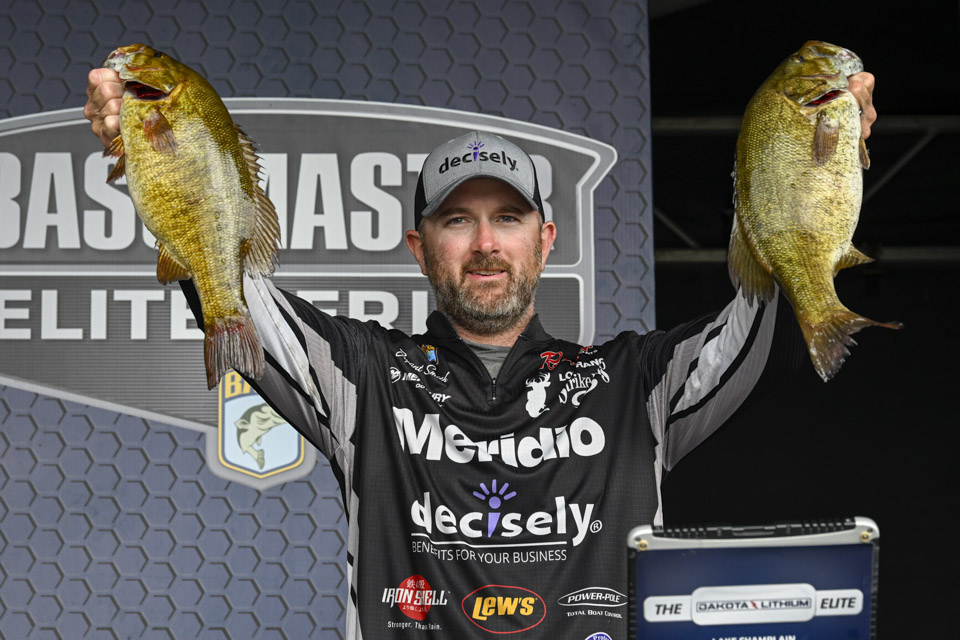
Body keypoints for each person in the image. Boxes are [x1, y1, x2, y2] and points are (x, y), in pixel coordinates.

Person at [85, 66, 877, 639]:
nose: (486, 243)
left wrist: (812, 174)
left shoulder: (635, 382)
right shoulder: (363, 375)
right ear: (420, 247)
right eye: (457, 220)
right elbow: (229, 289)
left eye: (508, 217)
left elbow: (766, 324)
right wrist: (160, 156)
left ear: (546, 239)